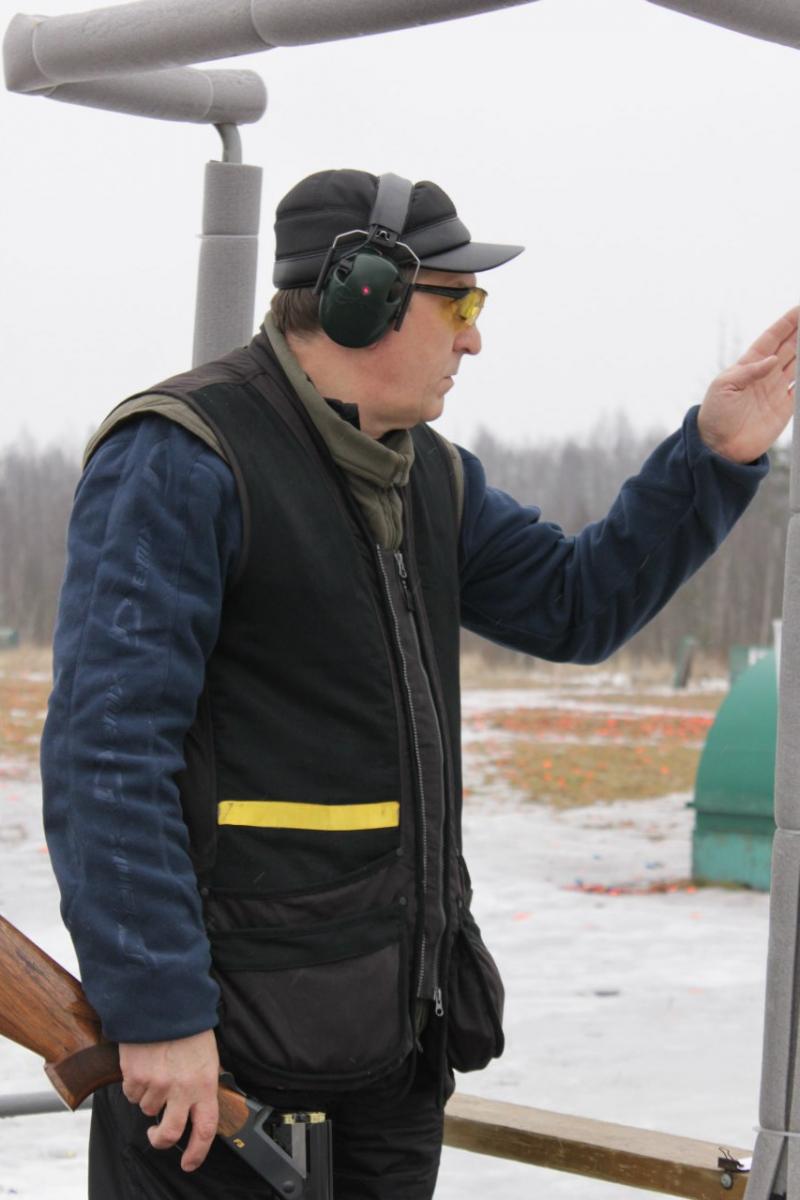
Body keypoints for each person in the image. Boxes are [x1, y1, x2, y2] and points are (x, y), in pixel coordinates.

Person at [41, 167, 796, 1200]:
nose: (474, 341)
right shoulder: (183, 457)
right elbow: (107, 754)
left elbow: (574, 604)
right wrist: (160, 1009)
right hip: (226, 1072)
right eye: (461, 305)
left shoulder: (428, 473)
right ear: (366, 298)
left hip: (389, 1057)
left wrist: (710, 456)